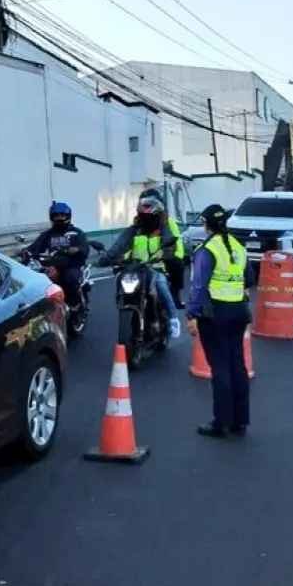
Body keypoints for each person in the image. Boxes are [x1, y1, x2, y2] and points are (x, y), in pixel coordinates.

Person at [187, 204, 252, 438]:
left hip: (215, 314)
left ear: (206, 225)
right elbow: (249, 279)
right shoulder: (238, 246)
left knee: (220, 368)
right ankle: (240, 421)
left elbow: (199, 286)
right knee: (238, 366)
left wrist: (192, 314)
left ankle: (221, 422)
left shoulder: (207, 250)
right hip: (238, 312)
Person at [100, 195, 181, 339]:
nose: (145, 219)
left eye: (149, 216)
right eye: (142, 215)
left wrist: (166, 253)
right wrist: (106, 258)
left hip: (156, 267)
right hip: (135, 267)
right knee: (120, 278)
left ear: (157, 216)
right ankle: (125, 305)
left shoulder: (163, 229)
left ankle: (173, 318)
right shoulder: (133, 230)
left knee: (161, 284)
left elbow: (170, 245)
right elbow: (119, 245)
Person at [22, 201, 89, 307]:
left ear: (68, 216)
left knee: (69, 278)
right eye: (56, 215)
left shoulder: (76, 233)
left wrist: (75, 250)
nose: (59, 218)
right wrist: (26, 252)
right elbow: (35, 247)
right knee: (40, 283)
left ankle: (74, 304)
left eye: (62, 215)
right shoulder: (47, 234)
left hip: (71, 265)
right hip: (52, 265)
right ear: (51, 217)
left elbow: (84, 249)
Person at [140, 187, 186, 307]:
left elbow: (177, 244)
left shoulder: (168, 222)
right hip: (141, 263)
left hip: (163, 261)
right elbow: (127, 244)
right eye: (144, 205)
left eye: (149, 205)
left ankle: (176, 298)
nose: (146, 208)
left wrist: (173, 256)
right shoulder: (137, 224)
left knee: (178, 265)